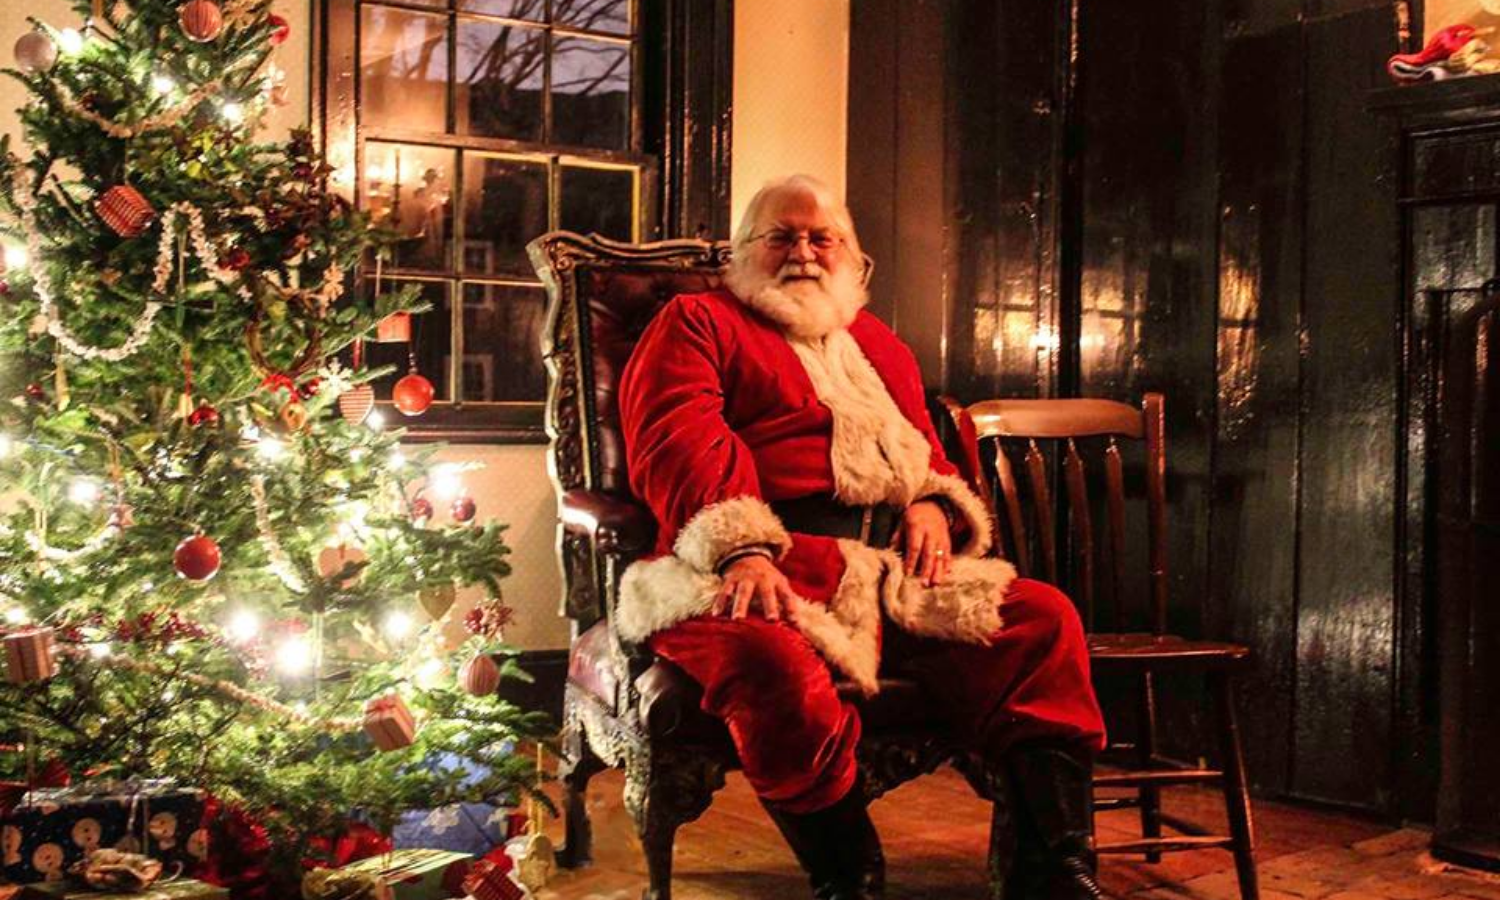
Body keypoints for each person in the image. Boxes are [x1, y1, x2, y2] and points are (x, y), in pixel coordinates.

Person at [615, 174, 1109, 900]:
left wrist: (934, 505)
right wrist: (743, 546)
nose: (804, 252)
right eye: (782, 235)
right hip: (746, 563)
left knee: (1041, 622)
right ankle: (847, 875)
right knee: (768, 659)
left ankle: (1055, 871)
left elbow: (928, 454)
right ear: (744, 250)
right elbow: (678, 439)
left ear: (853, 255)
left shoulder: (877, 342)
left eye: (823, 238)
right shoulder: (697, 320)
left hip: (887, 573)